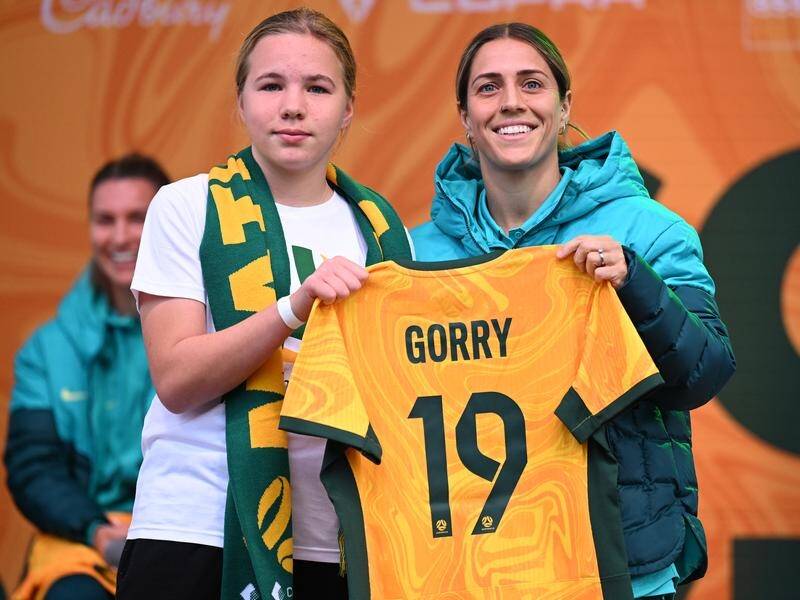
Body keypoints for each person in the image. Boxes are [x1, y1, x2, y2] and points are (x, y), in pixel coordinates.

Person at [411, 22, 735, 600]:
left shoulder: (648, 230)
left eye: (532, 84)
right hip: (468, 571)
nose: (511, 101)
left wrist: (635, 283)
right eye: (488, 87)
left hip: (619, 566)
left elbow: (704, 371)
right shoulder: (412, 254)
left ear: (563, 109)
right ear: (464, 117)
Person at [114, 8, 411, 600]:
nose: (293, 105)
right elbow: (177, 379)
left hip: (333, 538)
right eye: (271, 85)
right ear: (242, 101)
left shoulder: (380, 228)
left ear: (348, 107)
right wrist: (292, 310)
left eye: (317, 88)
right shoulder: (185, 205)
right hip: (193, 530)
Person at [4, 154, 169, 600]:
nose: (120, 236)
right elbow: (31, 466)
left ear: (169, 224)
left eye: (137, 218)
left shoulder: (212, 329)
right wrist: (98, 531)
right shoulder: (47, 348)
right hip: (81, 540)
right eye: (105, 220)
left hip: (182, 533)